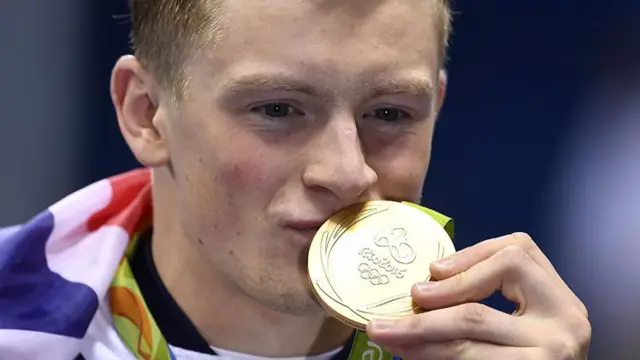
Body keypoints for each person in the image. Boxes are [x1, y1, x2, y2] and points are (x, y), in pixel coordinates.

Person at [0, 0, 591, 359]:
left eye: (389, 114)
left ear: (436, 106)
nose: (346, 171)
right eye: (278, 109)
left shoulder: (512, 349)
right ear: (144, 112)